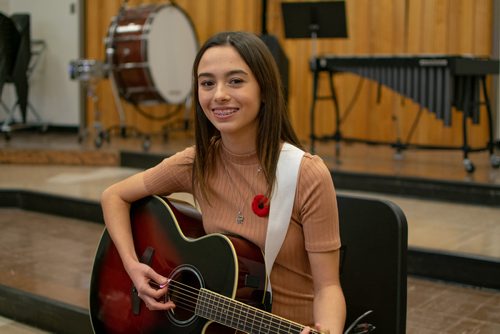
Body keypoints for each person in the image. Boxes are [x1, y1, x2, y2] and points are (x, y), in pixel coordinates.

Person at [101, 31, 346, 334]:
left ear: (265, 90)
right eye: (207, 83)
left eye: (235, 81)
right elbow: (115, 196)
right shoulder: (198, 162)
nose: (218, 95)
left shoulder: (306, 174)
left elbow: (329, 287)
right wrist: (133, 267)